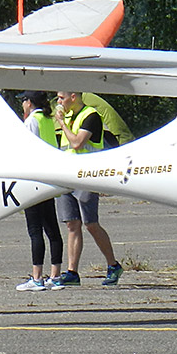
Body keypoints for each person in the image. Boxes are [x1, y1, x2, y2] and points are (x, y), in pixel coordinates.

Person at [53, 90, 125, 285]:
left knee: (90, 223)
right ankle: (72, 272)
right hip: (67, 176)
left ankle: (113, 265)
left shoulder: (91, 116)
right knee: (71, 224)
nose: (59, 101)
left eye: (61, 97)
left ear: (73, 97)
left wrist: (62, 124)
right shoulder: (69, 116)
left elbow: (77, 143)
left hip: (86, 176)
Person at [15, 92, 65, 291]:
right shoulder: (47, 119)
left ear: (29, 103)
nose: (22, 104)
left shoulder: (31, 122)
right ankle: (55, 276)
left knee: (35, 231)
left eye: (23, 101)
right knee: (52, 230)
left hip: (34, 180)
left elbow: (25, 151)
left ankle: (37, 278)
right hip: (49, 179)